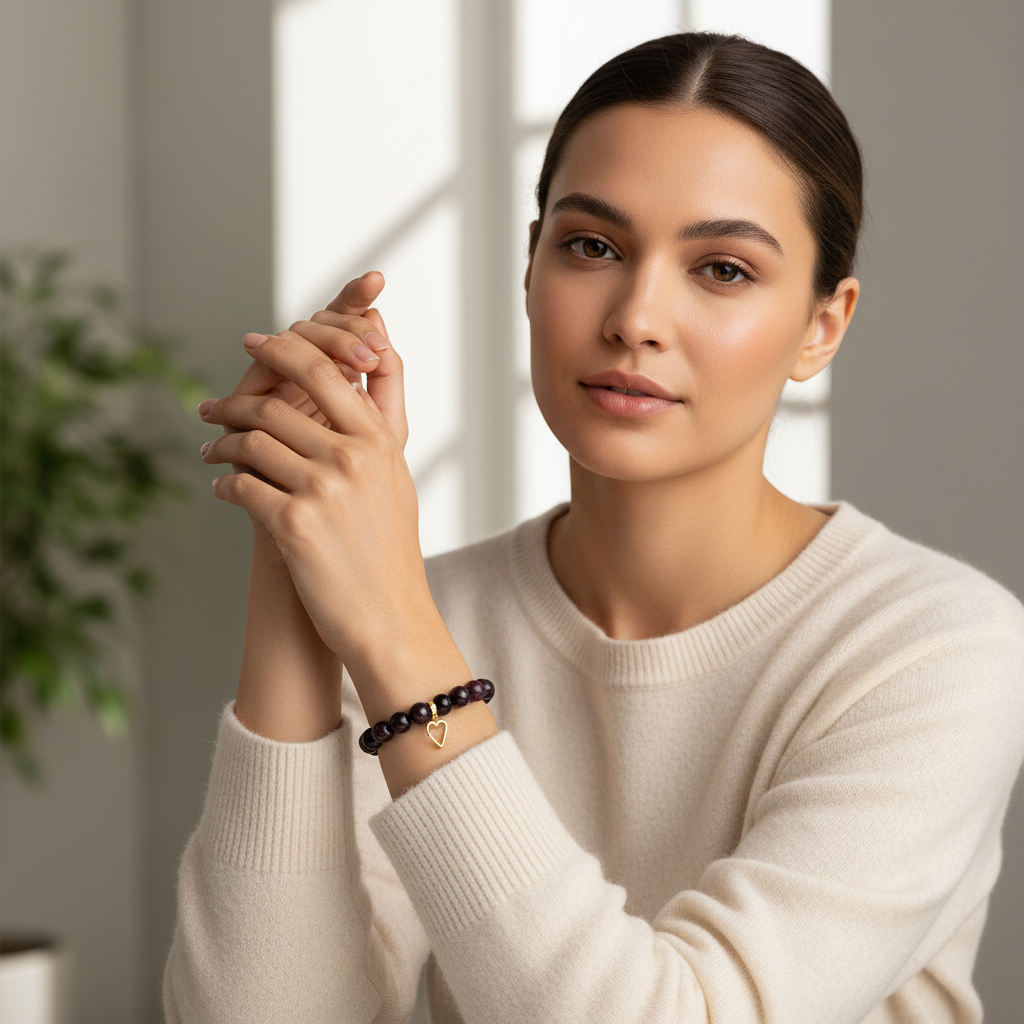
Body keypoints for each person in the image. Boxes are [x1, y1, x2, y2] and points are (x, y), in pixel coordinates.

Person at [165, 32, 1024, 1024]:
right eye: (592, 246)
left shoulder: (938, 648)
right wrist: (292, 556)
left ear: (820, 326)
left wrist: (392, 630)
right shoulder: (415, 618)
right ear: (529, 271)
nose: (636, 316)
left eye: (723, 269)